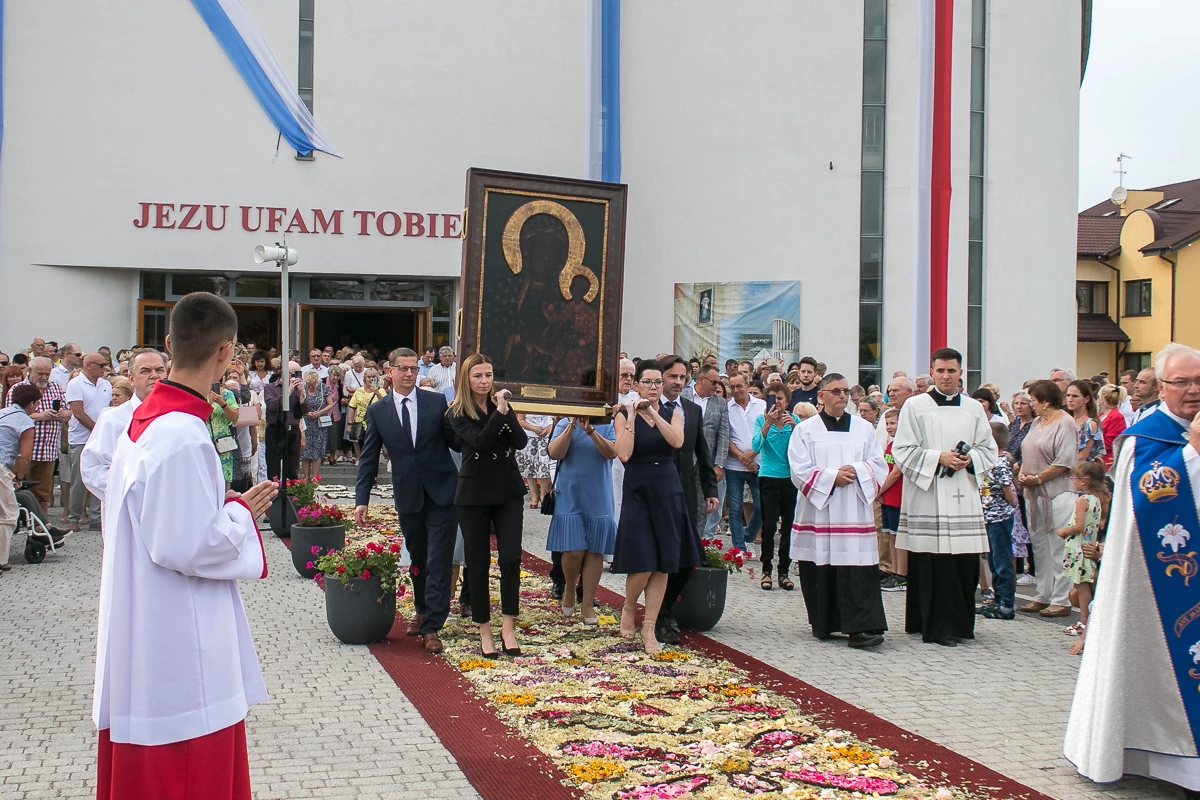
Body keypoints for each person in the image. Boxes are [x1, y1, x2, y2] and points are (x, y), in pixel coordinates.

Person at [93, 292, 277, 800]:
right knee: (191, 774)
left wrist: (217, 501)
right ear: (228, 354)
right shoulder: (181, 433)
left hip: (143, 619)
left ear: (170, 344)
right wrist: (241, 513)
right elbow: (186, 545)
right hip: (176, 637)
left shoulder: (140, 425)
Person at [1065, 344, 1200, 794]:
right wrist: (1195, 452)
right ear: (1162, 387)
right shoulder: (1148, 435)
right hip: (1162, 586)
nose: (1194, 390)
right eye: (1182, 382)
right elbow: (1152, 496)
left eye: (1199, 381)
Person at [355, 347, 460, 655]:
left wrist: (464, 417)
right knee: (419, 558)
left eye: (414, 369)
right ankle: (422, 609)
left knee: (439, 558)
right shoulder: (379, 410)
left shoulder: (436, 401)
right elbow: (369, 457)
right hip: (408, 494)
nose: (409, 374)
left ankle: (432, 628)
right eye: (403, 368)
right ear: (391, 371)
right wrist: (363, 499)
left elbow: (454, 440)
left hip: (442, 491)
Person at [893, 348, 998, 646]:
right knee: (932, 562)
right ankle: (934, 626)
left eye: (952, 370)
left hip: (963, 492)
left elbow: (989, 449)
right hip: (930, 493)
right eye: (940, 370)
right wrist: (940, 457)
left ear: (961, 373)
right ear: (933, 372)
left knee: (963, 562)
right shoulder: (915, 406)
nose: (946, 376)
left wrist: (970, 459)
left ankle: (961, 625)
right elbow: (902, 450)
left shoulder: (974, 409)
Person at [788, 372, 889, 649]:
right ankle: (824, 623)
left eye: (845, 391)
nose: (842, 396)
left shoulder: (864, 428)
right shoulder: (805, 430)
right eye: (835, 391)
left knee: (857, 568)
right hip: (820, 511)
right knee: (821, 564)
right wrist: (832, 477)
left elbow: (878, 464)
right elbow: (798, 469)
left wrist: (855, 471)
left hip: (853, 509)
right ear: (821, 396)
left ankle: (861, 627)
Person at [610, 359, 699, 654]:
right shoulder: (623, 413)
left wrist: (654, 413)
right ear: (636, 385)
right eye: (646, 382)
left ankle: (649, 627)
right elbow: (623, 453)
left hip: (667, 488)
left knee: (664, 563)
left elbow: (677, 441)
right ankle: (628, 607)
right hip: (638, 488)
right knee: (645, 561)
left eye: (657, 383)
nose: (652, 387)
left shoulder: (673, 411)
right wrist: (635, 416)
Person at [447, 353, 527, 657]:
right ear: (467, 379)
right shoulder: (457, 411)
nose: (485, 381)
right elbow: (479, 442)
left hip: (507, 489)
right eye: (478, 376)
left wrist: (505, 412)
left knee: (510, 559)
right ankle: (484, 628)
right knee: (478, 563)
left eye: (489, 375)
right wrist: (500, 415)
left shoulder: (500, 405)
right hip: (474, 492)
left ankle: (508, 625)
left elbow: (519, 441)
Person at [657, 355, 717, 644]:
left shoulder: (692, 411)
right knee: (658, 558)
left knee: (687, 559)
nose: (678, 382)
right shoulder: (649, 409)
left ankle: (665, 608)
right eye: (672, 376)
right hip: (654, 493)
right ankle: (655, 615)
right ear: (661, 377)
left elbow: (702, 453)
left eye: (683, 377)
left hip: (684, 494)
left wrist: (711, 490)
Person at [546, 413, 617, 624]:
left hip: (598, 491)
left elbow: (611, 452)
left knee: (595, 550)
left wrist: (591, 431)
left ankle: (587, 603)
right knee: (574, 549)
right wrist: (571, 424)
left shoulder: (609, 424)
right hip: (569, 491)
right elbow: (555, 452)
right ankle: (569, 587)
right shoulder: (563, 423)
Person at [1015, 380, 1078, 618]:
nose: (1031, 404)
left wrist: (1039, 478)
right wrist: (1021, 471)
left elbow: (1064, 461)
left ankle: (1061, 599)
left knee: (1058, 544)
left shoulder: (1065, 423)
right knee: (1039, 544)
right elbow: (1027, 449)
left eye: (1033, 400)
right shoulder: (1038, 423)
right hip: (1033, 492)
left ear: (1046, 401)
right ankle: (1042, 594)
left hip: (1056, 491)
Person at [81, 350, 168, 499]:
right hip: (127, 505)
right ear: (131, 378)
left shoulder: (176, 417)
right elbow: (92, 468)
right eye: (145, 371)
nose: (154, 375)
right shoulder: (112, 419)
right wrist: (134, 490)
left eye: (160, 370)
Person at [6, 357, 69, 516]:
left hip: (47, 450)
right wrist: (39, 416)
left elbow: (69, 412)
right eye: (40, 373)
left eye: (47, 374)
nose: (44, 377)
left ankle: (40, 529)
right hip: (22, 451)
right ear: (29, 371)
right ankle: (16, 523)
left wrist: (62, 414)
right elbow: (10, 417)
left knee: (43, 494)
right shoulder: (18, 389)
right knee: (15, 490)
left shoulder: (56, 387)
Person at [753, 382, 797, 591]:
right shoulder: (761, 420)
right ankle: (766, 570)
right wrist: (768, 424)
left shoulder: (794, 421)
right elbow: (755, 446)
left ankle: (784, 571)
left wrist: (795, 428)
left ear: (787, 401)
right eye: (772, 398)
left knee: (788, 526)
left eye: (780, 398)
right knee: (769, 525)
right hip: (769, 476)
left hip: (790, 478)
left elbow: (804, 448)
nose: (777, 402)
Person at [1058, 460, 1106, 640]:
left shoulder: (1082, 500)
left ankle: (1085, 621)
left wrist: (1063, 531)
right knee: (1081, 586)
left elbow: (1078, 526)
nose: (1073, 480)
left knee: (1081, 587)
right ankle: (1085, 621)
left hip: (1077, 547)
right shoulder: (1097, 500)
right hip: (1088, 545)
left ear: (1084, 480)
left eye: (1074, 477)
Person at [66, 352, 113, 531]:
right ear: (89, 365)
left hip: (101, 438)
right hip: (80, 438)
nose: (105, 369)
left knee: (100, 476)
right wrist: (97, 430)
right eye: (101, 365)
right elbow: (78, 412)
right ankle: (74, 517)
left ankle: (96, 517)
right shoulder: (75, 384)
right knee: (78, 479)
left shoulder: (106, 384)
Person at [683, 363, 729, 541]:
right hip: (683, 459)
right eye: (714, 382)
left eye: (718, 382)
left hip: (705, 463)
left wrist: (719, 464)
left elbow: (724, 435)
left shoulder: (720, 403)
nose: (717, 386)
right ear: (701, 379)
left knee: (702, 507)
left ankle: (696, 546)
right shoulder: (683, 395)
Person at [976, 422, 1017, 620]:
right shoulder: (988, 462)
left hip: (999, 517)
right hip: (988, 517)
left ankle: (1007, 602)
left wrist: (1006, 504)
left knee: (1002, 560)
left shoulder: (999, 464)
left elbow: (1008, 492)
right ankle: (997, 598)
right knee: (992, 560)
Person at [726, 373, 766, 550]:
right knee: (735, 509)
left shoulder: (762, 405)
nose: (736, 390)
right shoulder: (726, 408)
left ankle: (748, 535)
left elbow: (767, 431)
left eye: (739, 386)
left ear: (747, 385)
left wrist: (752, 455)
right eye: (732, 387)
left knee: (761, 506)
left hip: (759, 462)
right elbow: (725, 437)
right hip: (734, 465)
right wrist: (742, 457)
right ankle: (739, 548)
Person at [263, 362, 307, 482]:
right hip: (275, 429)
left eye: (298, 374)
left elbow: (304, 411)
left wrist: (302, 393)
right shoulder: (270, 387)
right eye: (293, 374)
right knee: (273, 467)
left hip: (292, 429)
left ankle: (292, 496)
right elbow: (272, 406)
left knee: (292, 468)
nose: (296, 377)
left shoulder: (298, 389)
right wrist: (288, 391)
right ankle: (274, 495)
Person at [879, 408, 904, 591]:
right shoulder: (890, 445)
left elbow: (896, 473)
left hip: (896, 496)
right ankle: (893, 571)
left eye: (893, 423)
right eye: (887, 423)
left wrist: (879, 490)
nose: (889, 427)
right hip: (887, 497)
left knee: (897, 536)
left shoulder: (902, 446)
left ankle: (901, 574)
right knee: (889, 535)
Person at [346, 368, 385, 463]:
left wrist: (376, 392)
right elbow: (352, 407)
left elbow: (385, 404)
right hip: (360, 421)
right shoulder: (359, 390)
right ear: (365, 378)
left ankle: (372, 462)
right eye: (368, 377)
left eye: (373, 377)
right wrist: (349, 424)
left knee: (373, 444)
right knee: (359, 442)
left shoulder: (381, 390)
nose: (371, 379)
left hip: (375, 423)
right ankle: (360, 459)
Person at [517, 412, 555, 509]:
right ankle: (534, 496)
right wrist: (533, 429)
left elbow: (552, 419)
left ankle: (543, 495)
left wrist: (548, 429)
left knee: (544, 466)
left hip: (545, 436)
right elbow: (520, 420)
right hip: (529, 435)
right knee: (530, 467)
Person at [298, 371, 332, 480]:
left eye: (313, 383)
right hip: (306, 422)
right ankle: (306, 477)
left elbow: (330, 404)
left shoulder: (323, 388)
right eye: (309, 384)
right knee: (305, 451)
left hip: (319, 423)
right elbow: (297, 404)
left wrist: (320, 412)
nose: (311, 386)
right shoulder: (302, 388)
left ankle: (315, 478)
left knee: (317, 451)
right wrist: (306, 413)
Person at [1066, 380, 1105, 464]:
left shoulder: (1090, 424)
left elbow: (1083, 455)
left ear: (1086, 399)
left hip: (1081, 470)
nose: (1070, 399)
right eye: (1068, 395)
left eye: (1075, 396)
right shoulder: (1067, 420)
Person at [325, 366, 345, 466]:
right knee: (324, 435)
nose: (335, 378)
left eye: (338, 376)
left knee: (334, 436)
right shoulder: (322, 382)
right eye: (334, 375)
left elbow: (341, 395)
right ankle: (321, 457)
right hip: (324, 412)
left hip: (336, 412)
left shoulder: (339, 384)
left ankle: (332, 458)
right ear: (329, 374)